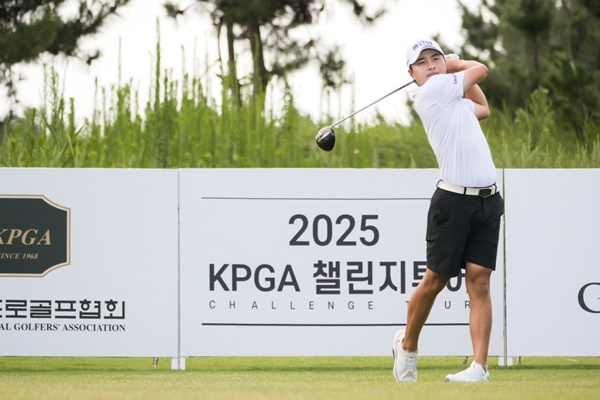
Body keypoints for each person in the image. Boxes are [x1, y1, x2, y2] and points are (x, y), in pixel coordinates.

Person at [392, 39, 504, 383]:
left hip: (488, 200)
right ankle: (407, 346)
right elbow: (481, 70)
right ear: (412, 74)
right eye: (421, 62)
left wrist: (452, 69)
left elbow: (482, 108)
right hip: (454, 202)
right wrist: (454, 64)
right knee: (435, 280)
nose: (430, 65)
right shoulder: (432, 92)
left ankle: (479, 367)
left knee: (480, 281)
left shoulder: (452, 99)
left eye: (435, 58)